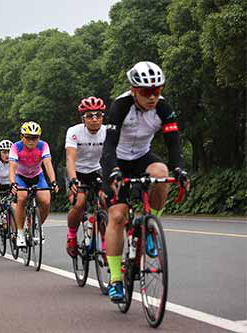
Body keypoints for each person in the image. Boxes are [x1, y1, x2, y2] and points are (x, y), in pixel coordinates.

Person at [101, 61, 189, 303]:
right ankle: (116, 279)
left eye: (157, 91)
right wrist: (114, 171)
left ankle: (151, 227)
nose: (152, 97)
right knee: (118, 216)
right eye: (146, 92)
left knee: (162, 173)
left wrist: (179, 168)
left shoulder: (163, 107)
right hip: (116, 159)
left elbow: (174, 142)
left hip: (142, 156)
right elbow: (108, 145)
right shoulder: (121, 106)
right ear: (133, 91)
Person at [65, 97, 107, 257]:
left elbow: (112, 157)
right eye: (90, 116)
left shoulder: (107, 132)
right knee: (80, 202)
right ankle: (71, 236)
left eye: (98, 115)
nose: (95, 119)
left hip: (97, 170)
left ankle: (104, 242)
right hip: (77, 171)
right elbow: (70, 158)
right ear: (83, 118)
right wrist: (73, 179)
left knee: (105, 201)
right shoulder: (74, 132)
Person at [9, 121, 59, 247]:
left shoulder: (43, 146)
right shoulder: (16, 147)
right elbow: (12, 167)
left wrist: (53, 182)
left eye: (35, 138)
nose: (31, 141)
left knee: (46, 201)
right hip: (21, 177)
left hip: (37, 176)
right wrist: (12, 183)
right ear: (22, 137)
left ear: (39, 137)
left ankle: (36, 226)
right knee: (22, 198)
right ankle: (20, 232)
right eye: (28, 137)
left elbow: (47, 163)